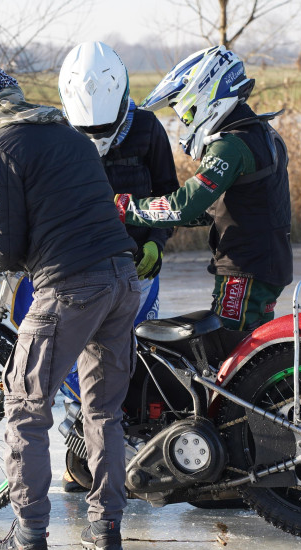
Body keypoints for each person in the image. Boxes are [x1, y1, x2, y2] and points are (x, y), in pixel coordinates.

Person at [0, 65, 140, 550]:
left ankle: (29, 535)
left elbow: (3, 247)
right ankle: (105, 528)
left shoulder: (0, 149)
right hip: (123, 281)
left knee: (25, 408)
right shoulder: (71, 137)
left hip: (71, 288)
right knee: (104, 411)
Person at [56, 40, 179, 493]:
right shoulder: (60, 132)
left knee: (127, 360)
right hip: (77, 269)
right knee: (74, 364)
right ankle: (78, 458)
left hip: (137, 267)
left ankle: (128, 454)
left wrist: (157, 244)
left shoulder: (147, 129)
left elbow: (169, 195)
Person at [115, 45, 293, 331]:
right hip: (263, 265)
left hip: (245, 269)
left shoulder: (230, 145)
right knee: (250, 353)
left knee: (225, 348)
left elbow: (182, 206)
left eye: (182, 111)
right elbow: (216, 208)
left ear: (203, 96)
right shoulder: (259, 131)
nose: (184, 120)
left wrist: (122, 206)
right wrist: (164, 217)